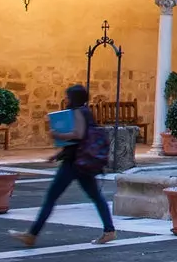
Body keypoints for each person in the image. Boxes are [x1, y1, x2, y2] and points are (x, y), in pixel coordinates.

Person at [9, 84, 115, 246]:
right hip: (81, 161)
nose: (65, 99)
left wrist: (56, 134)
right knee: (96, 197)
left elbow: (78, 135)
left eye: (67, 96)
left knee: (51, 197)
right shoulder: (86, 112)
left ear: (74, 98)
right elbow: (79, 141)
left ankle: (32, 234)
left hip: (74, 164)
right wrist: (57, 155)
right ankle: (109, 230)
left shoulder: (78, 111)